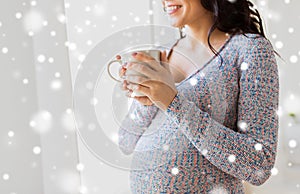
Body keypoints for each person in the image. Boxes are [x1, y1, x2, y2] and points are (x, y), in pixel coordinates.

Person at [117, 0, 279, 193]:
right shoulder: (161, 54)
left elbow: (259, 166)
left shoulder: (250, 50)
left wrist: (173, 102)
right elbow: (126, 142)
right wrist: (148, 98)